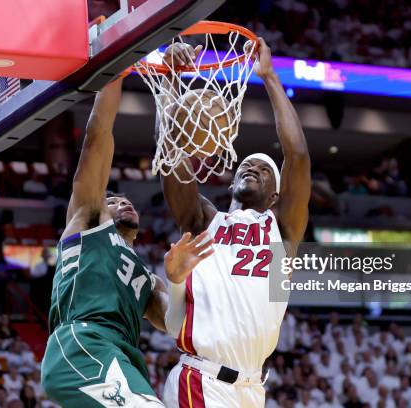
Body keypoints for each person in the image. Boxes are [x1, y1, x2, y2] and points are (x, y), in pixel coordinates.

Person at [40, 78, 214, 408]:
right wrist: (117, 71)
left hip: (123, 355)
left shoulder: (147, 278)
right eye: (114, 200)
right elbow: (97, 138)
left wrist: (177, 281)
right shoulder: (89, 222)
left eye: (127, 201)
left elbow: (174, 324)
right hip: (82, 342)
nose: (123, 202)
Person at [159, 38, 311, 407]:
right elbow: (172, 159)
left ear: (276, 196)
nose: (253, 167)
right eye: (246, 164)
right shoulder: (205, 218)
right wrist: (169, 83)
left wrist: (270, 77)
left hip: (252, 388)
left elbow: (299, 156)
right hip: (203, 379)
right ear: (231, 181)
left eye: (264, 169)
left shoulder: (283, 231)